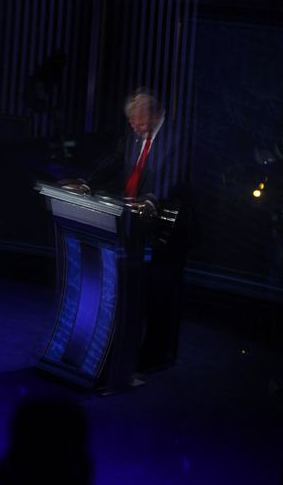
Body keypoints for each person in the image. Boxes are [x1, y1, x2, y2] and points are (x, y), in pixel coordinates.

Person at [69, 88, 196, 372]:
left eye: (136, 120)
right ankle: (132, 350)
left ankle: (159, 354)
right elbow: (114, 162)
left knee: (162, 292)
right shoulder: (133, 137)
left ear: (153, 114)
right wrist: (88, 183)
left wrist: (154, 198)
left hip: (167, 229)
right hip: (135, 225)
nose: (133, 126)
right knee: (138, 288)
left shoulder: (177, 139)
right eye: (130, 122)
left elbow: (175, 177)